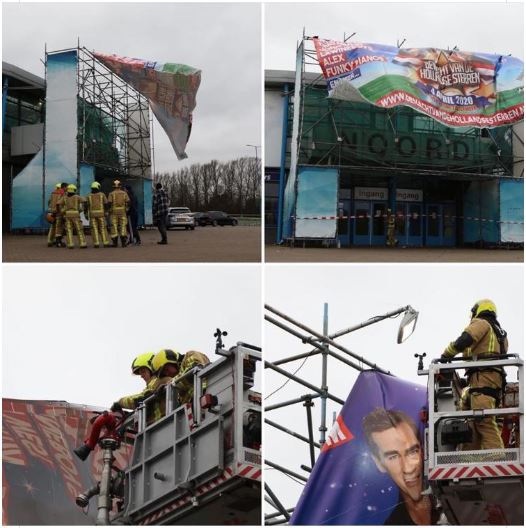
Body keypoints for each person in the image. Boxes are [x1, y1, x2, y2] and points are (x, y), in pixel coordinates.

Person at [441, 299, 507, 450]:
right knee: (474, 423)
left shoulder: (481, 323)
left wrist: (446, 356)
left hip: (483, 379)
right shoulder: (500, 334)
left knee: (484, 421)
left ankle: (495, 460)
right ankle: (470, 459)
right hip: (490, 381)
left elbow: (465, 339)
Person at [363, 408, 438, 525]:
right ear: (378, 462)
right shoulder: (392, 524)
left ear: (423, 450)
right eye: (393, 457)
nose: (409, 468)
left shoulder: (456, 502)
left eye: (412, 451)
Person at [58, 184, 87, 249]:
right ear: (74, 190)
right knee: (79, 229)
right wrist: (81, 210)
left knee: (69, 230)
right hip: (76, 215)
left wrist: (62, 211)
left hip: (67, 215)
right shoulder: (77, 197)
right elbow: (85, 201)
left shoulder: (65, 197)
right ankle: (82, 243)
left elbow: (58, 204)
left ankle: (70, 244)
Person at [86, 181, 109, 248]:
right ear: (98, 187)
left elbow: (85, 205)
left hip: (92, 215)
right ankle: (105, 243)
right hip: (101, 215)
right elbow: (106, 203)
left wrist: (86, 214)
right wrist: (106, 211)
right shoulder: (102, 194)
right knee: (103, 228)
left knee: (94, 229)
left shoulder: (88, 195)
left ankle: (96, 243)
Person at [108, 180, 129, 247]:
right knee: (123, 226)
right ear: (120, 186)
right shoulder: (124, 193)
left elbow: (109, 203)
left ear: (114, 186)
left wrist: (109, 210)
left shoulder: (111, 194)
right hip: (122, 212)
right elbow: (128, 202)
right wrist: (127, 209)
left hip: (114, 212)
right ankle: (123, 243)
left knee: (114, 226)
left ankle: (115, 243)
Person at [46, 183, 65, 247]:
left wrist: (51, 210)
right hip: (58, 212)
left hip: (52, 212)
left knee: (52, 227)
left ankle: (49, 241)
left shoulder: (52, 193)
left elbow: (49, 202)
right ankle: (58, 241)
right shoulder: (62, 193)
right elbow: (62, 203)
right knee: (59, 227)